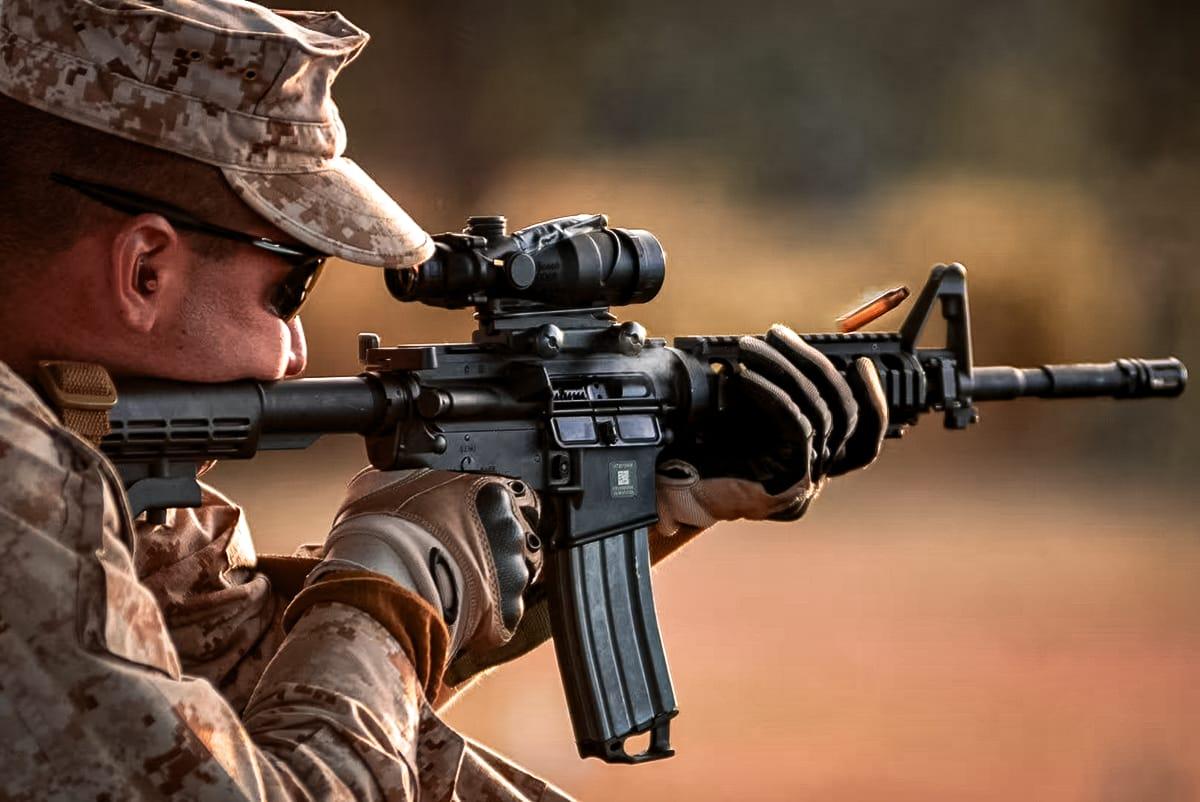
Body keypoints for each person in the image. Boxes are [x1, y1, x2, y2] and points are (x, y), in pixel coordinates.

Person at [0, 1, 887, 799]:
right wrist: (393, 567)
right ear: (144, 268)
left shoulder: (84, 469)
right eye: (290, 292)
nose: (294, 356)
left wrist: (649, 499)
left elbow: (252, 687)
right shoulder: (18, 477)